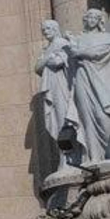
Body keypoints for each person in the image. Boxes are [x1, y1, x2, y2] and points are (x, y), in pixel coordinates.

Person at [67, 9, 110, 162]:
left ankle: (107, 153)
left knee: (102, 116)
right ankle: (94, 157)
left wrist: (80, 52)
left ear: (100, 21)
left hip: (103, 79)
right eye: (89, 17)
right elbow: (72, 57)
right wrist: (74, 47)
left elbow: (100, 54)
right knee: (86, 118)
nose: (91, 19)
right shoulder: (79, 39)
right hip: (82, 79)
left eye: (95, 17)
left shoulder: (107, 38)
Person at [37, 19, 81, 170]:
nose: (45, 31)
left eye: (48, 28)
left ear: (56, 29)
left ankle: (73, 156)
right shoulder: (47, 48)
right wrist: (48, 59)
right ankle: (64, 157)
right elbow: (37, 67)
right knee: (55, 121)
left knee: (64, 119)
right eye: (44, 29)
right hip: (51, 87)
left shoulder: (61, 43)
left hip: (61, 86)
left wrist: (47, 60)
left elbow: (58, 63)